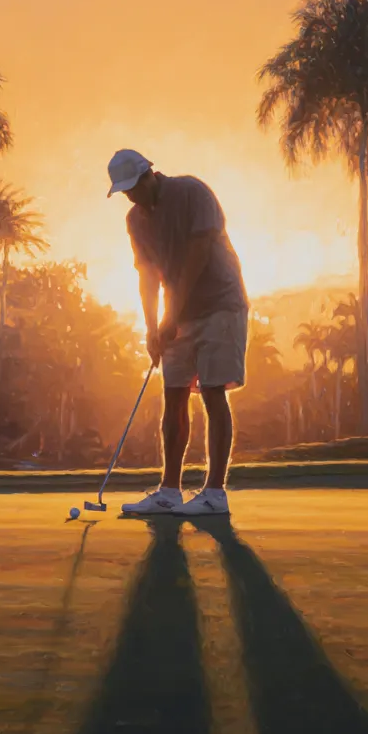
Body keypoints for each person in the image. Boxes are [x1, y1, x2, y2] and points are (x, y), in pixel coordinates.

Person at [107, 149, 249, 516]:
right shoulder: (135, 221)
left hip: (220, 304)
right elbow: (147, 275)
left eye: (134, 187)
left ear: (149, 174)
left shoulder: (192, 193)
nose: (132, 196)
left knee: (213, 393)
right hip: (178, 316)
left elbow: (197, 256)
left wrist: (173, 315)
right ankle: (170, 490)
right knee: (173, 396)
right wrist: (153, 328)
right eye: (125, 192)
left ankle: (214, 493)